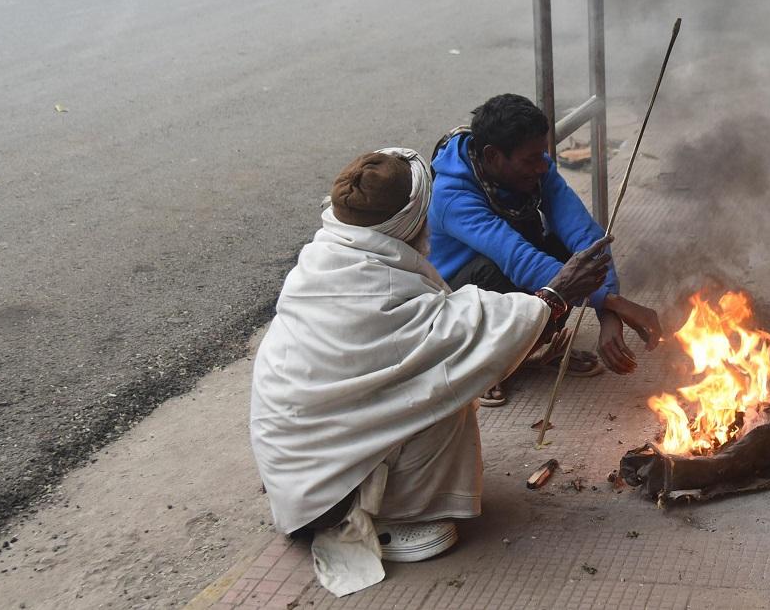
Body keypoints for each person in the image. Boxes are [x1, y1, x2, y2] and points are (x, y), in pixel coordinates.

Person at [250, 147, 612, 597]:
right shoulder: (373, 285)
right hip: (324, 501)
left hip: (298, 475)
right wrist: (557, 294)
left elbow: (447, 324)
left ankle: (379, 496)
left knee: (440, 376)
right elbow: (465, 334)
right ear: (407, 225)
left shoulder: (333, 252)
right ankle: (385, 518)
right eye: (426, 214)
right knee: (446, 389)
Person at [429, 93, 662, 405]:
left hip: (513, 269)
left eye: (543, 155)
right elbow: (518, 259)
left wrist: (609, 310)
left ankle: (534, 347)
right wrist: (611, 302)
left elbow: (585, 235)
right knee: (494, 273)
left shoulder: (537, 166)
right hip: (461, 294)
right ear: (493, 155)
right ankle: (482, 366)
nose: (542, 166)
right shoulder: (452, 196)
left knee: (569, 254)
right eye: (530, 160)